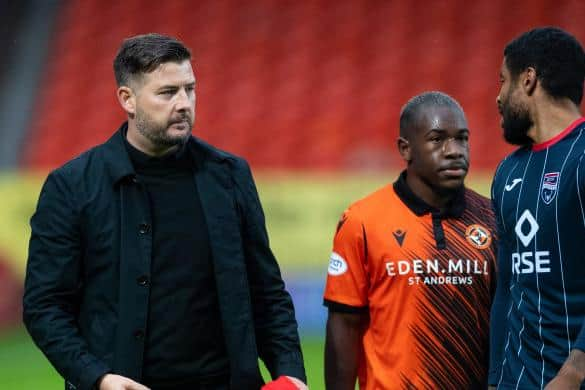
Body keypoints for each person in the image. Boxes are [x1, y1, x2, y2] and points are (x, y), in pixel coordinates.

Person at [23, 33, 307, 390]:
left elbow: (266, 290)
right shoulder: (72, 186)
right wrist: (97, 378)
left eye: (190, 89)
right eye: (167, 92)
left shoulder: (230, 175)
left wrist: (290, 372)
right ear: (127, 99)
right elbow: (44, 306)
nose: (184, 103)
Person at [323, 91, 497, 389]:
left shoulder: (493, 219)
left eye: (462, 138)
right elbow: (344, 324)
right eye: (437, 139)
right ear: (406, 149)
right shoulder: (362, 221)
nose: (454, 150)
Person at [489, 27, 585, 389]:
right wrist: (495, 379)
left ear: (528, 79)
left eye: (502, 81)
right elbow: (506, 289)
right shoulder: (507, 172)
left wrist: (574, 372)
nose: (497, 97)